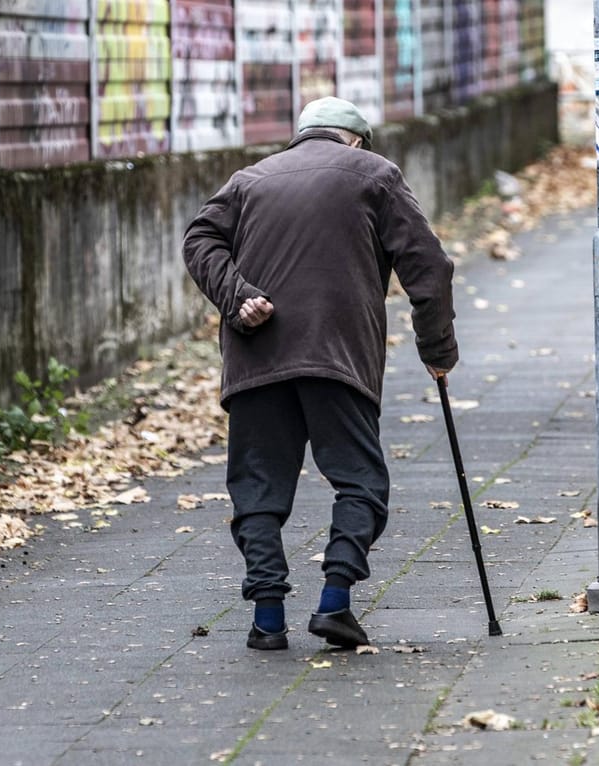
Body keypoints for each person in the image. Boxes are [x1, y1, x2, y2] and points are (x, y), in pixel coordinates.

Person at [182, 97, 459, 651]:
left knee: (257, 489)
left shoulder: (248, 180)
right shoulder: (376, 175)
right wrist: (438, 349)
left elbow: (199, 240)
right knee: (359, 480)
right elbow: (429, 266)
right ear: (356, 140)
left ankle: (267, 619)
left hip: (256, 355)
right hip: (337, 354)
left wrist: (239, 298)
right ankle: (334, 602)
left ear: (302, 136)